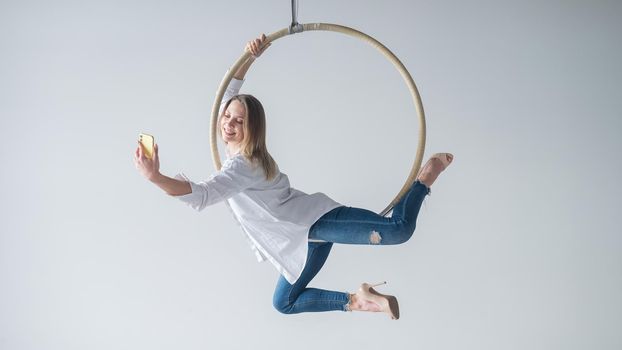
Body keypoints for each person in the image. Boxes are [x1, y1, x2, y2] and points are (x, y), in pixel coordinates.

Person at [134, 34, 453, 320]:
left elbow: (202, 195)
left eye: (239, 121)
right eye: (227, 117)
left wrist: (155, 177)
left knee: (399, 230)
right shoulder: (235, 153)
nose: (229, 124)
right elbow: (228, 93)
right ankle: (360, 300)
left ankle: (424, 179)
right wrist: (250, 57)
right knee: (284, 302)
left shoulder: (243, 165)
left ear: (252, 129)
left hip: (318, 221)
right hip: (301, 239)